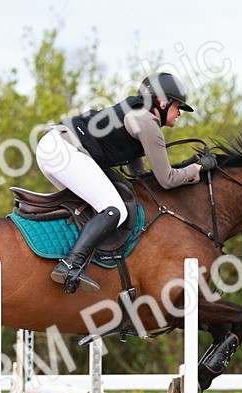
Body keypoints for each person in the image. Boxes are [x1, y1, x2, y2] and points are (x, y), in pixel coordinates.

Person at [34, 72, 213, 293]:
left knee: (97, 208)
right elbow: (166, 181)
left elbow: (139, 175)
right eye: (178, 106)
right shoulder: (147, 123)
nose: (179, 114)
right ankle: (71, 264)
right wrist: (197, 168)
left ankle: (87, 261)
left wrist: (183, 168)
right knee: (114, 208)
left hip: (54, 148)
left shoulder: (136, 114)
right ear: (163, 102)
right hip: (64, 151)